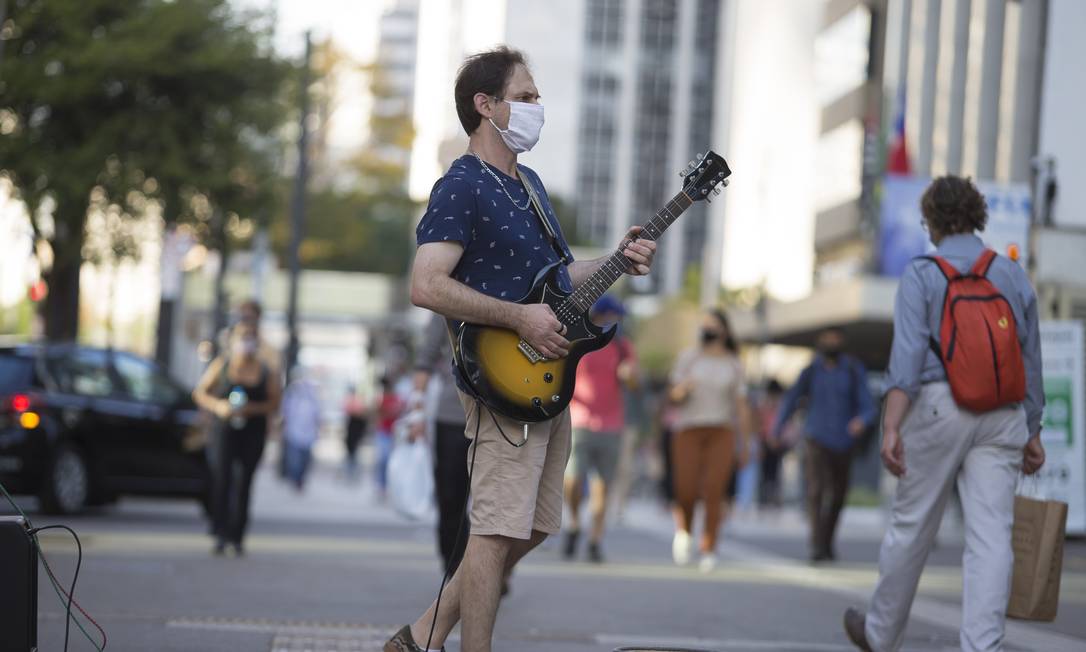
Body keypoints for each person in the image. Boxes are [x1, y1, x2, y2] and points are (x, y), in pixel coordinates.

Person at [383, 46, 656, 652]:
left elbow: (556, 280)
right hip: (498, 379)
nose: (538, 107)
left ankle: (423, 633)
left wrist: (617, 259)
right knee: (494, 529)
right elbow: (426, 284)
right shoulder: (460, 185)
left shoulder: (528, 185)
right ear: (487, 106)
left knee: (529, 527)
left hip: (545, 378)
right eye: (526, 96)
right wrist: (519, 320)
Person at [844, 176, 1046, 652]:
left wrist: (891, 424)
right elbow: (1030, 358)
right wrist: (1031, 429)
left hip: (939, 405)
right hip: (1002, 413)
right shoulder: (1011, 273)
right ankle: (982, 645)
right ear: (977, 215)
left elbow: (907, 358)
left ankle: (880, 634)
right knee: (992, 535)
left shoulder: (922, 273)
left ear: (931, 220)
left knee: (912, 526)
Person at [772, 328, 877, 563]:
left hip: (844, 440)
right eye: (827, 339)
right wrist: (778, 428)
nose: (831, 343)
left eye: (836, 339)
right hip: (815, 437)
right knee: (815, 490)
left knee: (838, 494)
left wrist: (861, 420)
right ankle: (816, 544)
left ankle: (827, 541)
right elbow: (792, 399)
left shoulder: (852, 370)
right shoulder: (810, 371)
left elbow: (867, 404)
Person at [667, 309, 751, 573]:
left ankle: (708, 547)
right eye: (703, 326)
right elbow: (673, 396)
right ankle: (684, 531)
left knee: (715, 489)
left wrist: (745, 443)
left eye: (712, 326)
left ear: (724, 331)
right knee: (686, 487)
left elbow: (741, 406)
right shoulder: (688, 358)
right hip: (689, 429)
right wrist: (683, 389)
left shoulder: (734, 363)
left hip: (721, 431)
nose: (707, 330)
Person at [193, 320, 282, 556]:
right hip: (224, 430)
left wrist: (251, 409)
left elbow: (274, 402)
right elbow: (200, 393)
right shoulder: (222, 365)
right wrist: (218, 406)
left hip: (252, 432)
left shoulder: (265, 371)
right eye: (242, 338)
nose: (246, 343)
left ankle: (237, 536)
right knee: (222, 480)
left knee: (244, 483)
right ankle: (220, 533)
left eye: (250, 338)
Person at [562, 294, 638, 563]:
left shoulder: (622, 345)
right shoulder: (579, 339)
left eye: (617, 317)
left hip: (611, 424)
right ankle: (573, 522)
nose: (613, 322)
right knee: (572, 480)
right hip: (579, 420)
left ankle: (595, 539)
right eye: (609, 316)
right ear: (597, 315)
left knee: (602, 486)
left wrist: (629, 376)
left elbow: (634, 384)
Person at [411, 312, 472, 575]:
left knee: (498, 502)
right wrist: (416, 413)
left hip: (503, 416)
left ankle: (495, 569)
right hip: (452, 416)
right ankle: (454, 569)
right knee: (451, 500)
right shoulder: (446, 301)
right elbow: (425, 360)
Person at [281, 366, 322, 491]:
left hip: (308, 433)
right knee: (295, 460)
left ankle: (301, 479)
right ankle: (295, 479)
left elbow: (317, 415)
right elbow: (285, 413)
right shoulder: (292, 396)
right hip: (294, 432)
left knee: (305, 459)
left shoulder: (312, 399)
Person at [757, 380, 786, 507]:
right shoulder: (764, 404)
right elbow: (759, 424)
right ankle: (764, 498)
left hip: (778, 442)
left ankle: (774, 497)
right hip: (765, 441)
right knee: (765, 472)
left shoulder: (781, 406)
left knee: (775, 471)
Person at [374, 375, 403, 500]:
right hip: (383, 432)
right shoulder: (382, 398)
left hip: (393, 433)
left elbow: (399, 412)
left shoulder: (396, 398)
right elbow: (379, 413)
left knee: (391, 461)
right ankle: (381, 486)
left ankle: (389, 486)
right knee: (383, 460)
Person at [342, 385, 368, 481]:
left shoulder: (357, 403)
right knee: (351, 454)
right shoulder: (351, 402)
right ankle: (350, 473)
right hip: (351, 433)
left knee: (354, 454)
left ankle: (352, 473)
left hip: (355, 433)